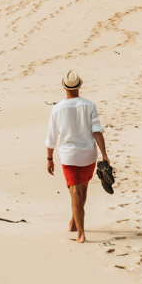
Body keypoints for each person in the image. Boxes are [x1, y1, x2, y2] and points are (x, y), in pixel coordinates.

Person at [45, 71, 109, 243]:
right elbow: (97, 130)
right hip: (88, 154)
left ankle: (81, 234)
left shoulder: (57, 109)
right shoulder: (89, 105)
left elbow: (51, 137)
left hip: (69, 156)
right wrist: (104, 155)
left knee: (75, 192)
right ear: (79, 86)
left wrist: (49, 159)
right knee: (82, 189)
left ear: (64, 87)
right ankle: (74, 222)